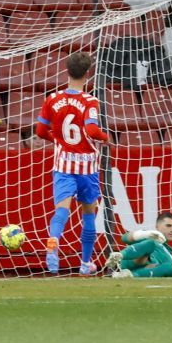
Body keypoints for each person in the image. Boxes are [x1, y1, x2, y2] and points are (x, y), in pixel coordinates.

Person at [35, 52, 110, 275]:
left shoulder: (53, 98)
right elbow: (92, 130)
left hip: (63, 165)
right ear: (88, 74)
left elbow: (40, 131)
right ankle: (85, 263)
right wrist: (106, 138)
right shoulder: (90, 101)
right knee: (89, 214)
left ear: (67, 71)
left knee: (61, 211)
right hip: (87, 167)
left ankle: (53, 242)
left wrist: (57, 140)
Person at [105, 212, 172, 278]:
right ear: (157, 227)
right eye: (168, 226)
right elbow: (124, 238)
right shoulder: (149, 236)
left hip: (146, 271)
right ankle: (119, 256)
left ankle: (129, 275)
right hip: (130, 260)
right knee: (150, 243)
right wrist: (145, 234)